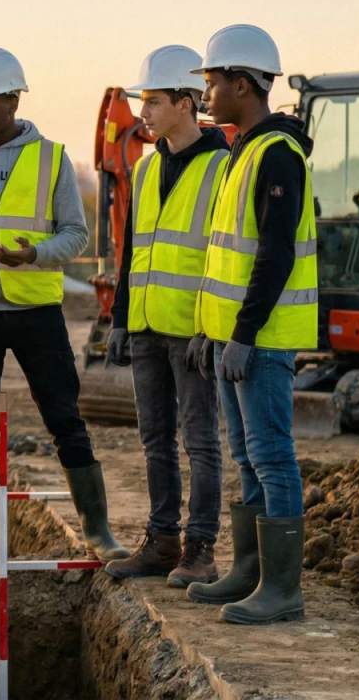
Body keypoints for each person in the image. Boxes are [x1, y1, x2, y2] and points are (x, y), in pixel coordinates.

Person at [0, 47, 129, 568]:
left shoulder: (52, 159)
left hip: (36, 310)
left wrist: (37, 254)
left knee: (65, 419)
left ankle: (98, 531)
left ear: (12, 100)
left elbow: (76, 234)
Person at [184, 24, 315, 625]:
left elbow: (275, 255)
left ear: (243, 83)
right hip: (233, 342)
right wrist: (208, 331)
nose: (206, 94)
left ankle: (282, 590)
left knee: (271, 455)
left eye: (211, 82)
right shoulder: (242, 150)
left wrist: (242, 334)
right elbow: (225, 256)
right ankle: (250, 571)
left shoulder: (276, 153)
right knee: (246, 455)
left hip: (261, 344)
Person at [103, 46, 230, 586]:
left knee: (199, 439)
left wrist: (211, 327)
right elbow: (135, 248)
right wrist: (120, 319)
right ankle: (161, 542)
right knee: (154, 437)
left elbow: (227, 251)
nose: (143, 113)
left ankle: (200, 548)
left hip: (193, 329)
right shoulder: (147, 163)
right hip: (149, 325)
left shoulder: (223, 165)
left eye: (152, 101)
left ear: (186, 102)